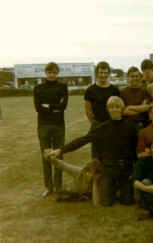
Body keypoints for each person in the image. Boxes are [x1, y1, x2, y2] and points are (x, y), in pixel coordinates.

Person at [48, 96, 137, 207]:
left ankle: (120, 188)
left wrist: (134, 170)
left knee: (127, 201)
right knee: (106, 203)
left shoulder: (131, 126)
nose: (114, 109)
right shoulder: (103, 128)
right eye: (111, 107)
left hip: (125, 168)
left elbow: (135, 149)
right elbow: (83, 140)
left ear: (122, 109)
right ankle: (109, 186)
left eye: (117, 107)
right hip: (109, 168)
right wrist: (61, 150)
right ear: (108, 110)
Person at [33, 62, 68, 197]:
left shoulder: (62, 87)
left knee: (58, 155)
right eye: (49, 72)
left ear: (57, 73)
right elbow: (38, 107)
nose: (51, 75)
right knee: (46, 157)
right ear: (45, 73)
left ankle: (58, 186)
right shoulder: (38, 88)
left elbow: (63, 106)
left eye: (54, 72)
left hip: (59, 125)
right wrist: (54, 107)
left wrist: (47, 106)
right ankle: (49, 187)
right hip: (43, 126)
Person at [84, 61, 120, 158]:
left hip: (112, 125)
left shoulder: (114, 90)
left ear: (108, 73)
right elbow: (88, 110)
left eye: (105, 73)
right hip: (97, 125)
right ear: (97, 73)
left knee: (112, 153)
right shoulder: (90, 90)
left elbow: (119, 107)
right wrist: (94, 123)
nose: (103, 75)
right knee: (96, 156)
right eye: (101, 73)